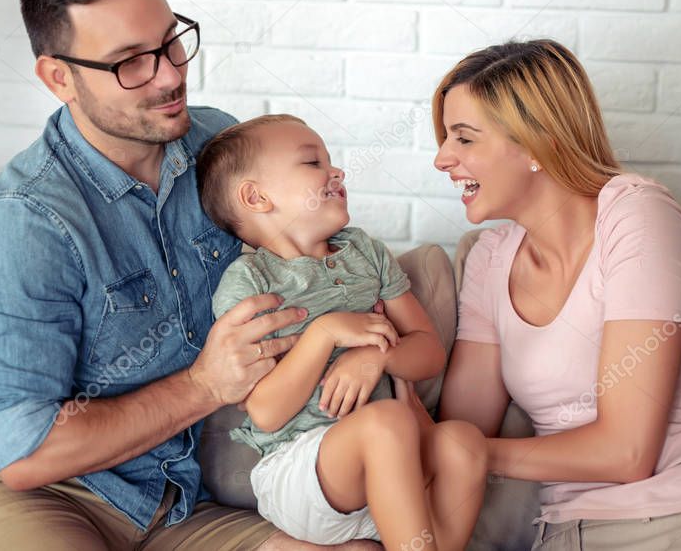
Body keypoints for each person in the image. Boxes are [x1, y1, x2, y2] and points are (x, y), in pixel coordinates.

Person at [0, 0, 379, 550]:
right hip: (11, 487)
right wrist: (207, 386)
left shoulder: (217, 144)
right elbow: (26, 454)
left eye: (170, 40)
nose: (171, 73)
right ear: (61, 77)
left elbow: (323, 259)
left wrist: (375, 345)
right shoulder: (25, 222)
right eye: (131, 61)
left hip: (168, 492)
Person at [429, 39, 681, 550]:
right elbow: (460, 430)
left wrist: (472, 452)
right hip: (559, 534)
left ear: (538, 143)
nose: (441, 158)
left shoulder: (637, 214)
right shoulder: (489, 257)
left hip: (673, 521)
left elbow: (628, 453)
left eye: (464, 139)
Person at [195, 114, 489, 550]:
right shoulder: (251, 282)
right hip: (305, 473)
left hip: (395, 478)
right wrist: (325, 333)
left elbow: (429, 353)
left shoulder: (366, 253)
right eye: (313, 163)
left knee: (463, 442)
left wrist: (379, 357)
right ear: (256, 197)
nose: (337, 172)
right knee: (387, 421)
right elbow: (266, 413)